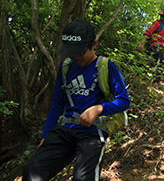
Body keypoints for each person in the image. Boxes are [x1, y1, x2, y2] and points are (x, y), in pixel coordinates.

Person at [23, 19, 130, 181]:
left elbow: (124, 101)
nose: (75, 57)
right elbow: (57, 105)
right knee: (32, 172)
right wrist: (45, 137)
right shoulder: (66, 68)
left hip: (92, 132)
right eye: (70, 52)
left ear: (94, 44)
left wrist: (97, 109)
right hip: (63, 130)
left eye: (80, 52)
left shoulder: (106, 67)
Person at [137, 8, 164, 87]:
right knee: (160, 59)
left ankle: (158, 75)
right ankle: (155, 81)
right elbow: (148, 33)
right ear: (163, 15)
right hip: (156, 44)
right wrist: (141, 44)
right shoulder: (157, 23)